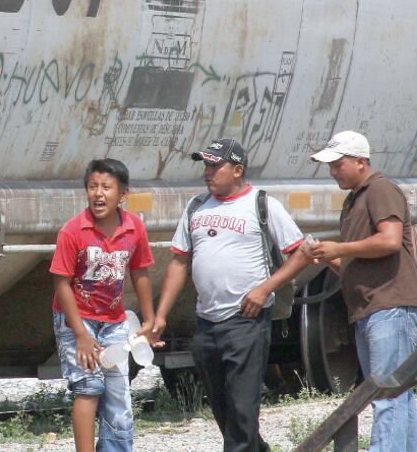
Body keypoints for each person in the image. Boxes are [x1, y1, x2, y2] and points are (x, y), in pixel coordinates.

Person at [153, 138, 310, 452]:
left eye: (215, 165)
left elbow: (301, 253)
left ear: (238, 169)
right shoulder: (196, 206)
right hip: (207, 323)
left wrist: (265, 288)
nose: (208, 172)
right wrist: (160, 315)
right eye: (206, 166)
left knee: (241, 410)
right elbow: (179, 260)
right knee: (226, 412)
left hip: (247, 323)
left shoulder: (262, 204)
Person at [309, 131, 417, 452]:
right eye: (330, 166)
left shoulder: (380, 189)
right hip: (374, 307)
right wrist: (333, 258)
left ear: (361, 162)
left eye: (338, 164)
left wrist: (340, 247)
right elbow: (360, 259)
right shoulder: (355, 198)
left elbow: (389, 240)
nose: (333, 172)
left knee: (386, 393)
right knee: (395, 393)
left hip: (391, 304)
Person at [49, 158, 155, 452]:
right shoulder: (73, 231)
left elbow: (140, 271)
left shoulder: (134, 227)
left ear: (123, 194)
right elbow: (61, 284)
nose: (98, 194)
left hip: (114, 320)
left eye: (106, 187)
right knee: (88, 388)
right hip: (76, 319)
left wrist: (149, 319)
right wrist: (81, 335)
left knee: (118, 393)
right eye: (92, 187)